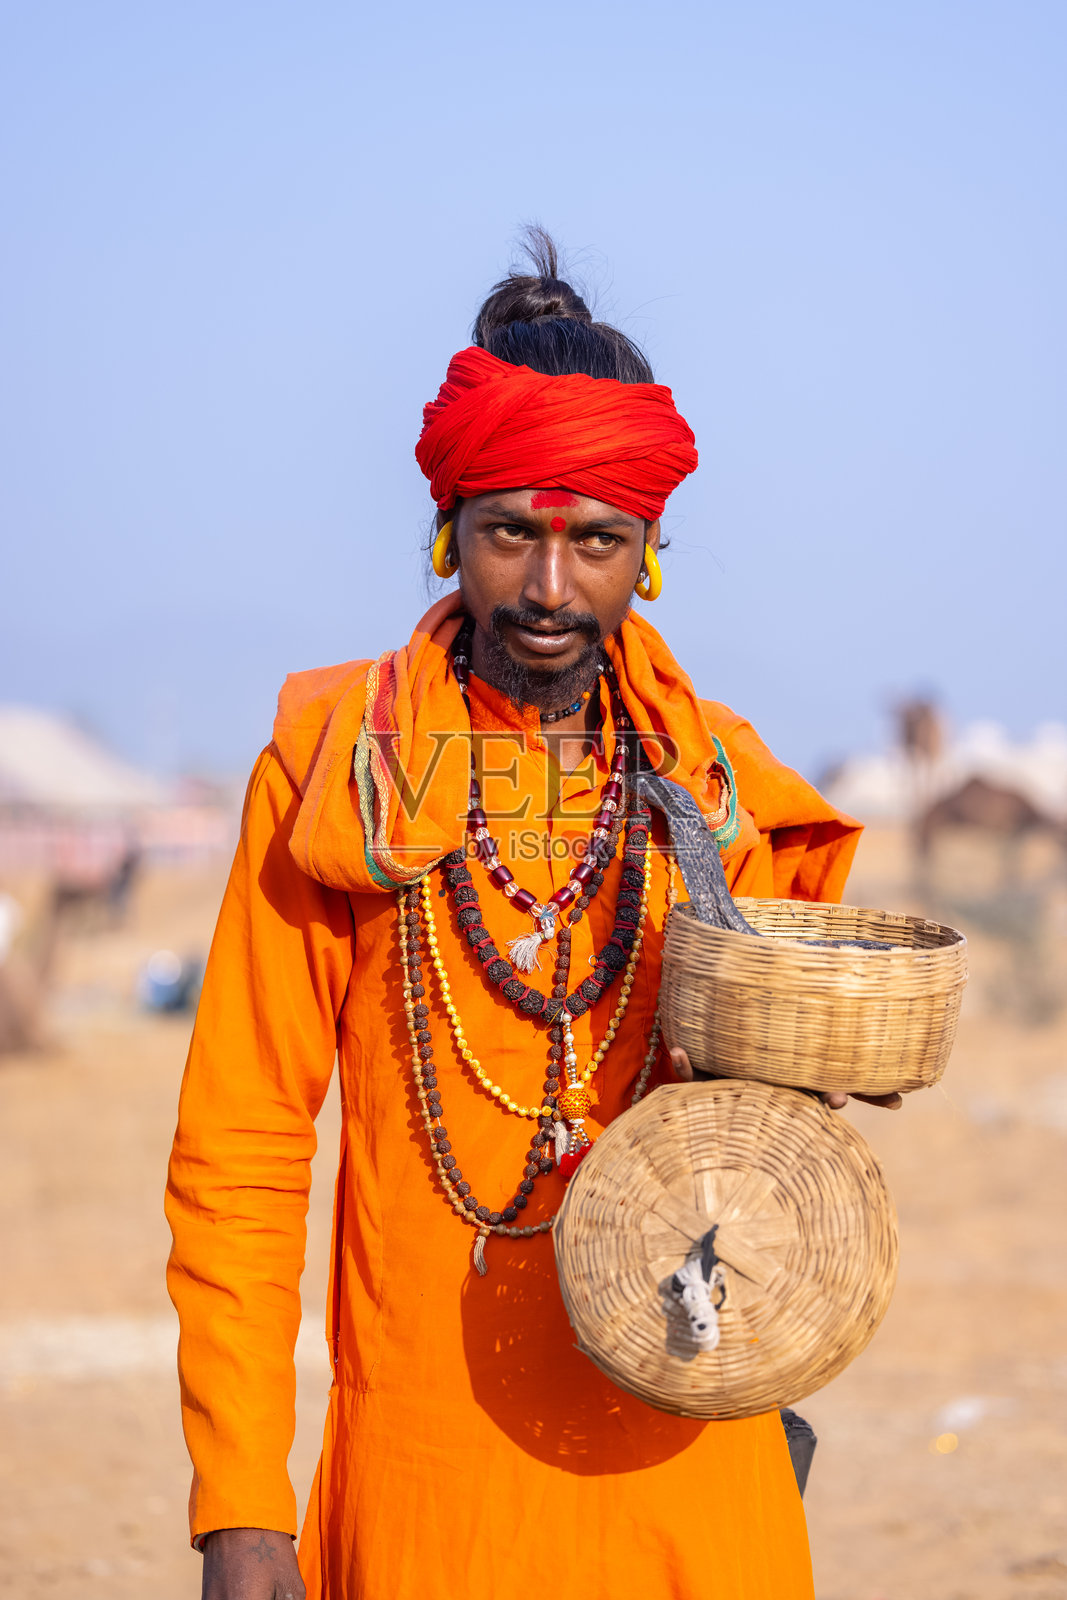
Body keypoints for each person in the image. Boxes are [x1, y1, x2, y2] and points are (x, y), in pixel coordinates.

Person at [166, 233, 868, 1600]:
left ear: (649, 551)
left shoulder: (719, 790)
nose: (551, 592)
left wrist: (818, 1071)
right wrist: (241, 1500)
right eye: (511, 536)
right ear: (447, 530)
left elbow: (783, 1123)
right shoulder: (337, 780)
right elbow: (242, 1148)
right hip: (431, 1475)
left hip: (691, 1478)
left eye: (598, 543)